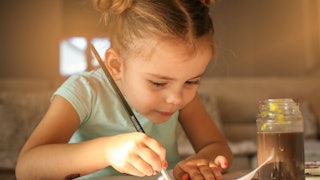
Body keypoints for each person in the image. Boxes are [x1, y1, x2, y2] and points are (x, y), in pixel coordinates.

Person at [15, 0, 233, 179]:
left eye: (191, 82)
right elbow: (27, 168)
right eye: (158, 83)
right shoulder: (85, 91)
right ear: (116, 65)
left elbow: (216, 146)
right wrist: (107, 151)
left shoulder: (180, 97)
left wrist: (201, 161)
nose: (176, 99)